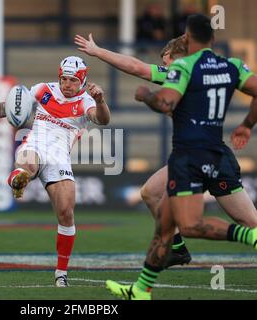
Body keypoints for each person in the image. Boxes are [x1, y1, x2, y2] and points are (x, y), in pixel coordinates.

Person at [106, 14, 257, 300]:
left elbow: (165, 102)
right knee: (163, 219)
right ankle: (141, 289)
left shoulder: (184, 67)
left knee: (193, 225)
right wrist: (247, 125)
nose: (164, 67)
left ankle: (249, 237)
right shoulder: (232, 66)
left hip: (191, 156)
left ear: (187, 39)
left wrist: (146, 96)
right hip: (215, 153)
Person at [74, 33, 257, 267]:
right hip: (190, 157)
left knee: (249, 222)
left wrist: (97, 51)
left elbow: (137, 68)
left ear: (178, 57)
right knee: (150, 192)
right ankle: (176, 250)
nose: (163, 67)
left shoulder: (186, 74)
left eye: (165, 61)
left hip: (213, 157)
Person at [0, 56, 111, 287]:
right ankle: (19, 178)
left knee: (66, 213)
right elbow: (12, 107)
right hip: (35, 144)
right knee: (28, 165)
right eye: (64, 78)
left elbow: (102, 119)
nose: (67, 84)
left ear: (82, 80)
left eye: (73, 80)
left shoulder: (87, 101)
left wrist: (101, 100)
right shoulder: (43, 89)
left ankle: (61, 273)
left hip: (59, 157)